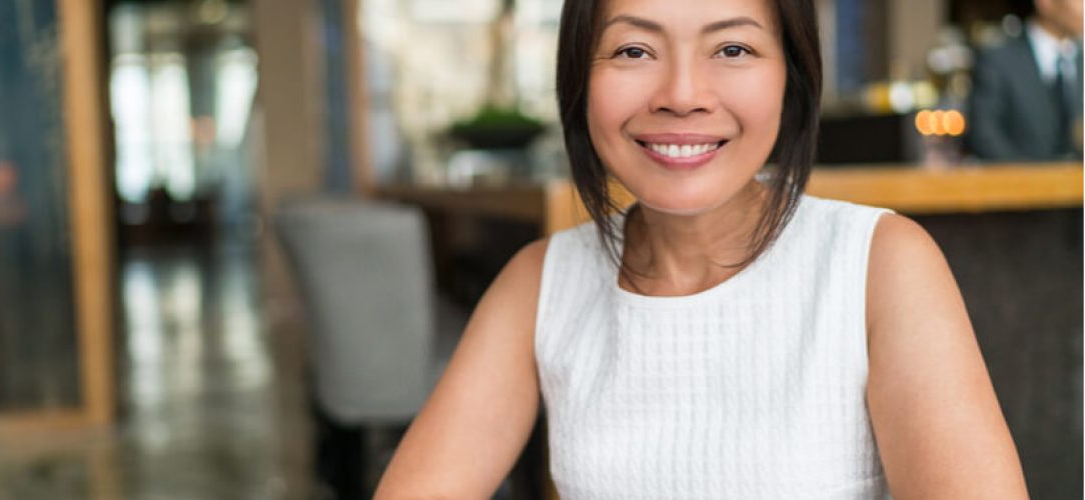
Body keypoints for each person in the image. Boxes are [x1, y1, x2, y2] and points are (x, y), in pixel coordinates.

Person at [376, 0, 1029, 497]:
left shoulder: (877, 265)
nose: (683, 95)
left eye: (734, 49)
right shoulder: (541, 282)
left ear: (790, 75)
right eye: (633, 51)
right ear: (579, 76)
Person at [967, 0, 1084, 161]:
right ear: (1046, 3)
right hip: (1017, 181)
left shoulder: (1081, 60)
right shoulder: (998, 59)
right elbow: (983, 135)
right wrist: (1031, 179)